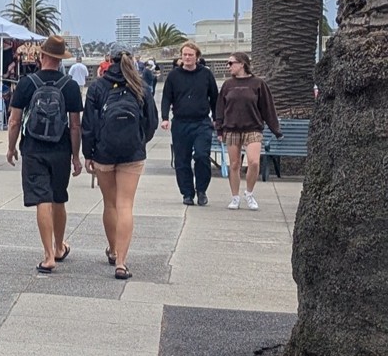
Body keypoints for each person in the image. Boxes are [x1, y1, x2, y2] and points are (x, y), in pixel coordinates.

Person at [6, 35, 83, 273]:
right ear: (60, 59)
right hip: (60, 149)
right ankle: (59, 247)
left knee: (42, 199)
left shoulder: (27, 83)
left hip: (33, 148)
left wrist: (11, 147)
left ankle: (48, 256)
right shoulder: (70, 86)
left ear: (42, 56)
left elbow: (14, 121)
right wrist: (76, 156)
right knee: (58, 198)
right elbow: (75, 125)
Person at [82, 51, 160, 280]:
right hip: (132, 153)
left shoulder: (98, 86)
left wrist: (88, 153)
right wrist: (139, 141)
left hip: (104, 152)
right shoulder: (140, 86)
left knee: (110, 204)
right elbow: (151, 122)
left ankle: (113, 249)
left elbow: (88, 124)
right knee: (125, 205)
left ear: (109, 61)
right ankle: (122, 263)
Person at [214, 51, 282, 210]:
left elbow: (268, 108)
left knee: (254, 162)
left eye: (231, 63)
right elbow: (220, 108)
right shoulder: (227, 85)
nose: (228, 66)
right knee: (234, 164)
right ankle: (235, 197)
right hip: (231, 129)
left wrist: (276, 130)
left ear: (242, 64)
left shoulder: (258, 83)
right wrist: (219, 129)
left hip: (253, 128)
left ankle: (249, 193)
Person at [160, 41, 220, 206]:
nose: (187, 57)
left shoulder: (206, 74)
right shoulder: (174, 76)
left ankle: (201, 190)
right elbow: (166, 97)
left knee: (201, 155)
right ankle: (187, 193)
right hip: (181, 123)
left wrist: (217, 118)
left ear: (197, 57)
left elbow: (215, 98)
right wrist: (164, 118)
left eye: (190, 55)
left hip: (201, 122)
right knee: (182, 160)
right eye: (184, 55)